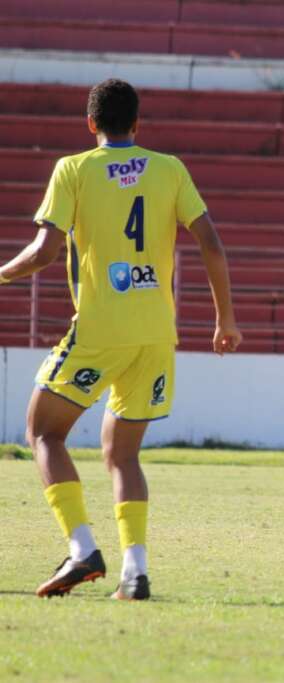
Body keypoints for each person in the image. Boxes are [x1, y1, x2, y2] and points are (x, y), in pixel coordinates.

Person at [0, 79, 242, 600]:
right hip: (156, 333)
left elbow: (44, 251)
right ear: (137, 124)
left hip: (99, 328)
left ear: (91, 124)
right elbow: (212, 243)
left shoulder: (74, 169)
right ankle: (135, 573)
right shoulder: (170, 169)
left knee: (43, 433)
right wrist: (225, 320)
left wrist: (0, 274)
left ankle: (83, 549)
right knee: (122, 455)